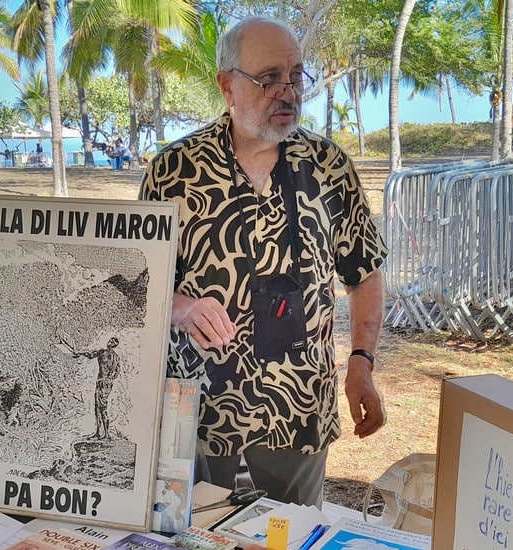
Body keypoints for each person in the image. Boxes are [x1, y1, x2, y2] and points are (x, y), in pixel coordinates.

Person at [139, 16, 387, 508]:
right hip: (202, 411)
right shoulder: (173, 171)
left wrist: (362, 361)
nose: (287, 92)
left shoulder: (330, 166)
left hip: (300, 409)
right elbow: (137, 283)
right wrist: (182, 307)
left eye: (296, 75)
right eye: (268, 77)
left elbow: (365, 271)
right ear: (227, 85)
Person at [73, 337, 122, 440]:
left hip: (102, 382)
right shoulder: (116, 357)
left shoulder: (103, 352)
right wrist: (109, 379)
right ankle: (99, 432)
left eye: (110, 341)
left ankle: (106, 434)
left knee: (101, 408)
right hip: (107, 383)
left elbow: (90, 355)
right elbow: (117, 372)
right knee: (98, 407)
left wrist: (79, 353)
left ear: (112, 344)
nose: (108, 342)